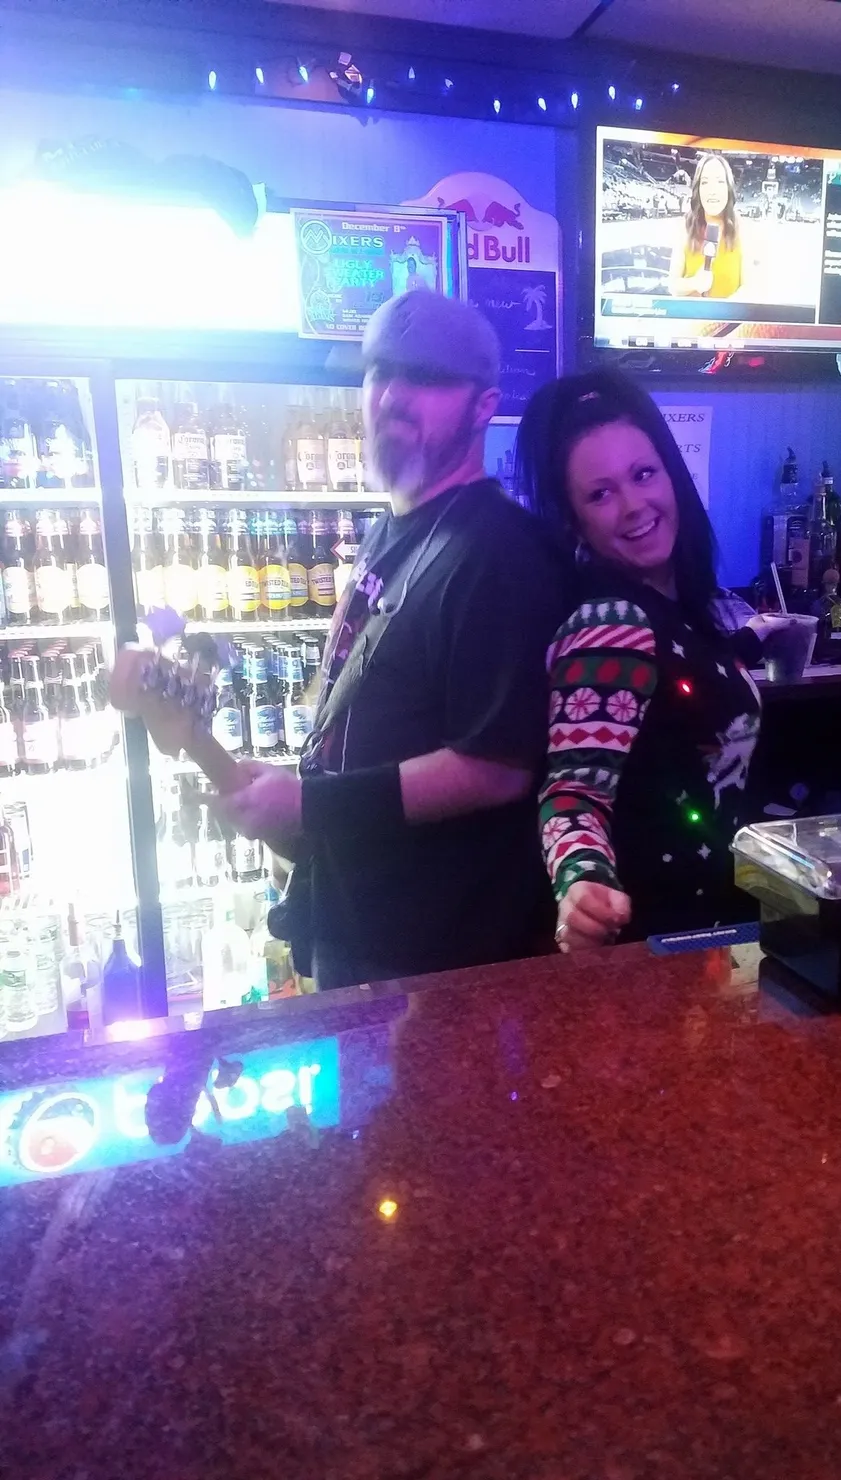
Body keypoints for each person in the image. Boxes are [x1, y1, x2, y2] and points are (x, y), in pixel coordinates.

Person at [214, 293, 569, 989]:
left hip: (436, 967)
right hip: (361, 931)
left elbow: (495, 767)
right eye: (379, 372)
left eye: (428, 379)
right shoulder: (391, 528)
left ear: (483, 405)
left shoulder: (499, 551)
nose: (392, 396)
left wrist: (309, 804)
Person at [515, 370, 771, 953]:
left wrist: (752, 647)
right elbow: (574, 793)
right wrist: (582, 882)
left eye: (643, 474)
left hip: (707, 938)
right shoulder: (613, 625)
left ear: (671, 474)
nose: (633, 506)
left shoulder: (677, 607)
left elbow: (679, 707)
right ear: (575, 519)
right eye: (600, 494)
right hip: (659, 953)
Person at [668, 152, 743, 299]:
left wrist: (723, 313)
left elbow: (750, 287)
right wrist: (694, 283)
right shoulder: (685, 226)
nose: (712, 191)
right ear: (698, 189)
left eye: (720, 182)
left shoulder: (742, 228)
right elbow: (673, 285)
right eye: (705, 182)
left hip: (727, 320)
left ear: (729, 188)